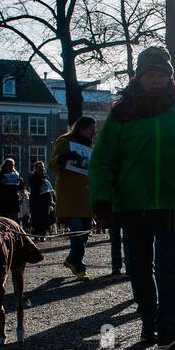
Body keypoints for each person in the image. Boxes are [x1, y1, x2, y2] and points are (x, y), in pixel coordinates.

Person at [89, 46, 175, 350]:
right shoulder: (121, 113)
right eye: (150, 74)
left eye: (161, 74)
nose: (155, 79)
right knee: (139, 268)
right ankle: (149, 323)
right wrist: (101, 201)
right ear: (139, 77)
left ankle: (168, 331)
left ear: (169, 77)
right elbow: (103, 159)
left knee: (170, 267)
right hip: (133, 203)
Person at [51, 115, 97, 280]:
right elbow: (52, 164)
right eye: (91, 129)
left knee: (84, 234)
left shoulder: (91, 147)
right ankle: (79, 267)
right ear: (82, 128)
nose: (94, 132)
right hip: (70, 196)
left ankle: (71, 260)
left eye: (95, 129)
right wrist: (64, 157)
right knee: (77, 234)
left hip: (86, 197)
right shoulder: (64, 141)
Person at [27, 162, 55, 236]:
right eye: (40, 167)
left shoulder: (46, 177)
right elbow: (34, 189)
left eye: (42, 167)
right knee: (36, 219)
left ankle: (43, 234)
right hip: (36, 201)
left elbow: (48, 190)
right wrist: (42, 182)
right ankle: (36, 234)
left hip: (45, 202)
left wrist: (51, 199)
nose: (42, 168)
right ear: (36, 168)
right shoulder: (32, 177)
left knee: (46, 218)